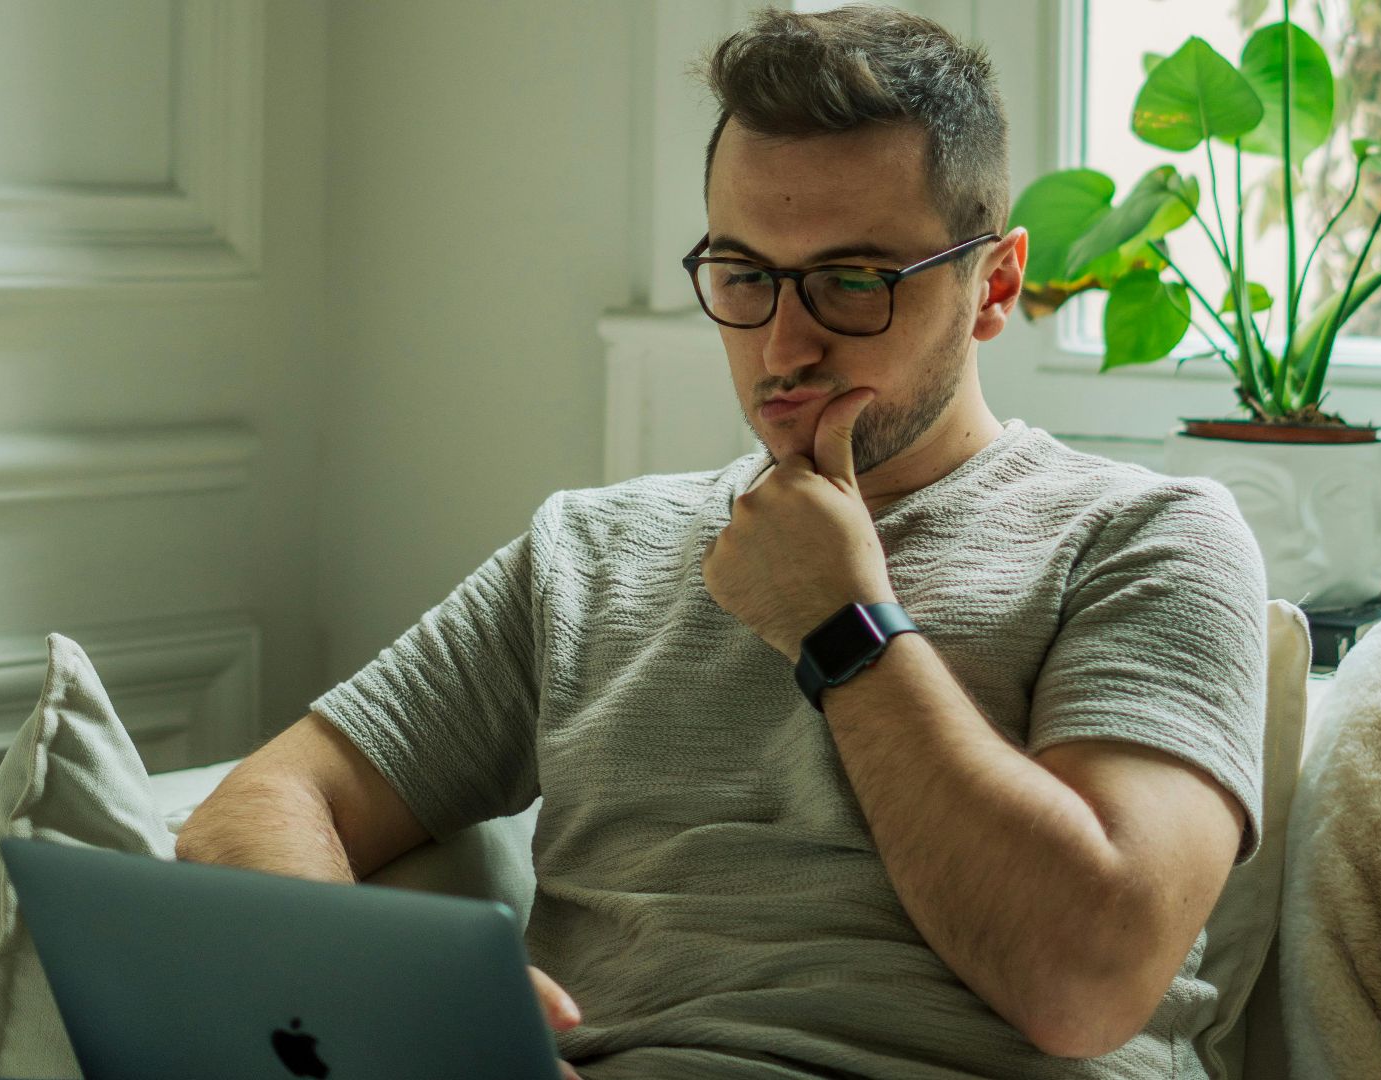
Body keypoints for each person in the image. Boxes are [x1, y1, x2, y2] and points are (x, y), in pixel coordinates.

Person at [176, 5, 1269, 1078]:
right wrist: (400, 995)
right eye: (745, 276)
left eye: (852, 282)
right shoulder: (590, 552)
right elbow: (260, 807)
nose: (784, 344)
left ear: (994, 284)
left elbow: (1085, 984)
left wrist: (843, 626)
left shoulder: (1147, 540)